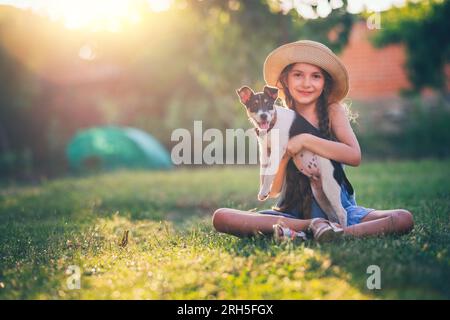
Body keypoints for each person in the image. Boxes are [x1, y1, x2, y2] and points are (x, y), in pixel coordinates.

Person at [212, 40, 414, 242]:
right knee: (221, 217)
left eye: (315, 76)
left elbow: (354, 156)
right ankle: (312, 227)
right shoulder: (275, 122)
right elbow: (272, 191)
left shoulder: (332, 110)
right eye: (298, 75)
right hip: (293, 214)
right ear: (285, 81)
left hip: (339, 209)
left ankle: (334, 232)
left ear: (325, 82)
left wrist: (305, 140)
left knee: (402, 218)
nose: (306, 83)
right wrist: (285, 154)